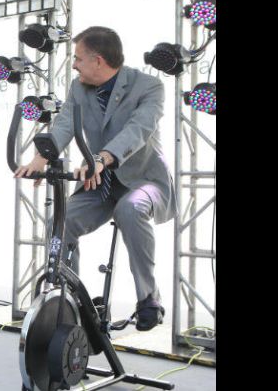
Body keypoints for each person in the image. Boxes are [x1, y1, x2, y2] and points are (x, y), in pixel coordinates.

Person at [15, 26, 177, 331]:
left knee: (129, 208)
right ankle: (70, 300)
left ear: (98, 61)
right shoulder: (79, 87)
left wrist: (100, 159)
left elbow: (138, 130)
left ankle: (149, 299)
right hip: (98, 182)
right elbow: (65, 123)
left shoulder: (149, 86)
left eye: (77, 58)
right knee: (59, 223)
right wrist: (41, 157)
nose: (74, 65)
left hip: (143, 180)